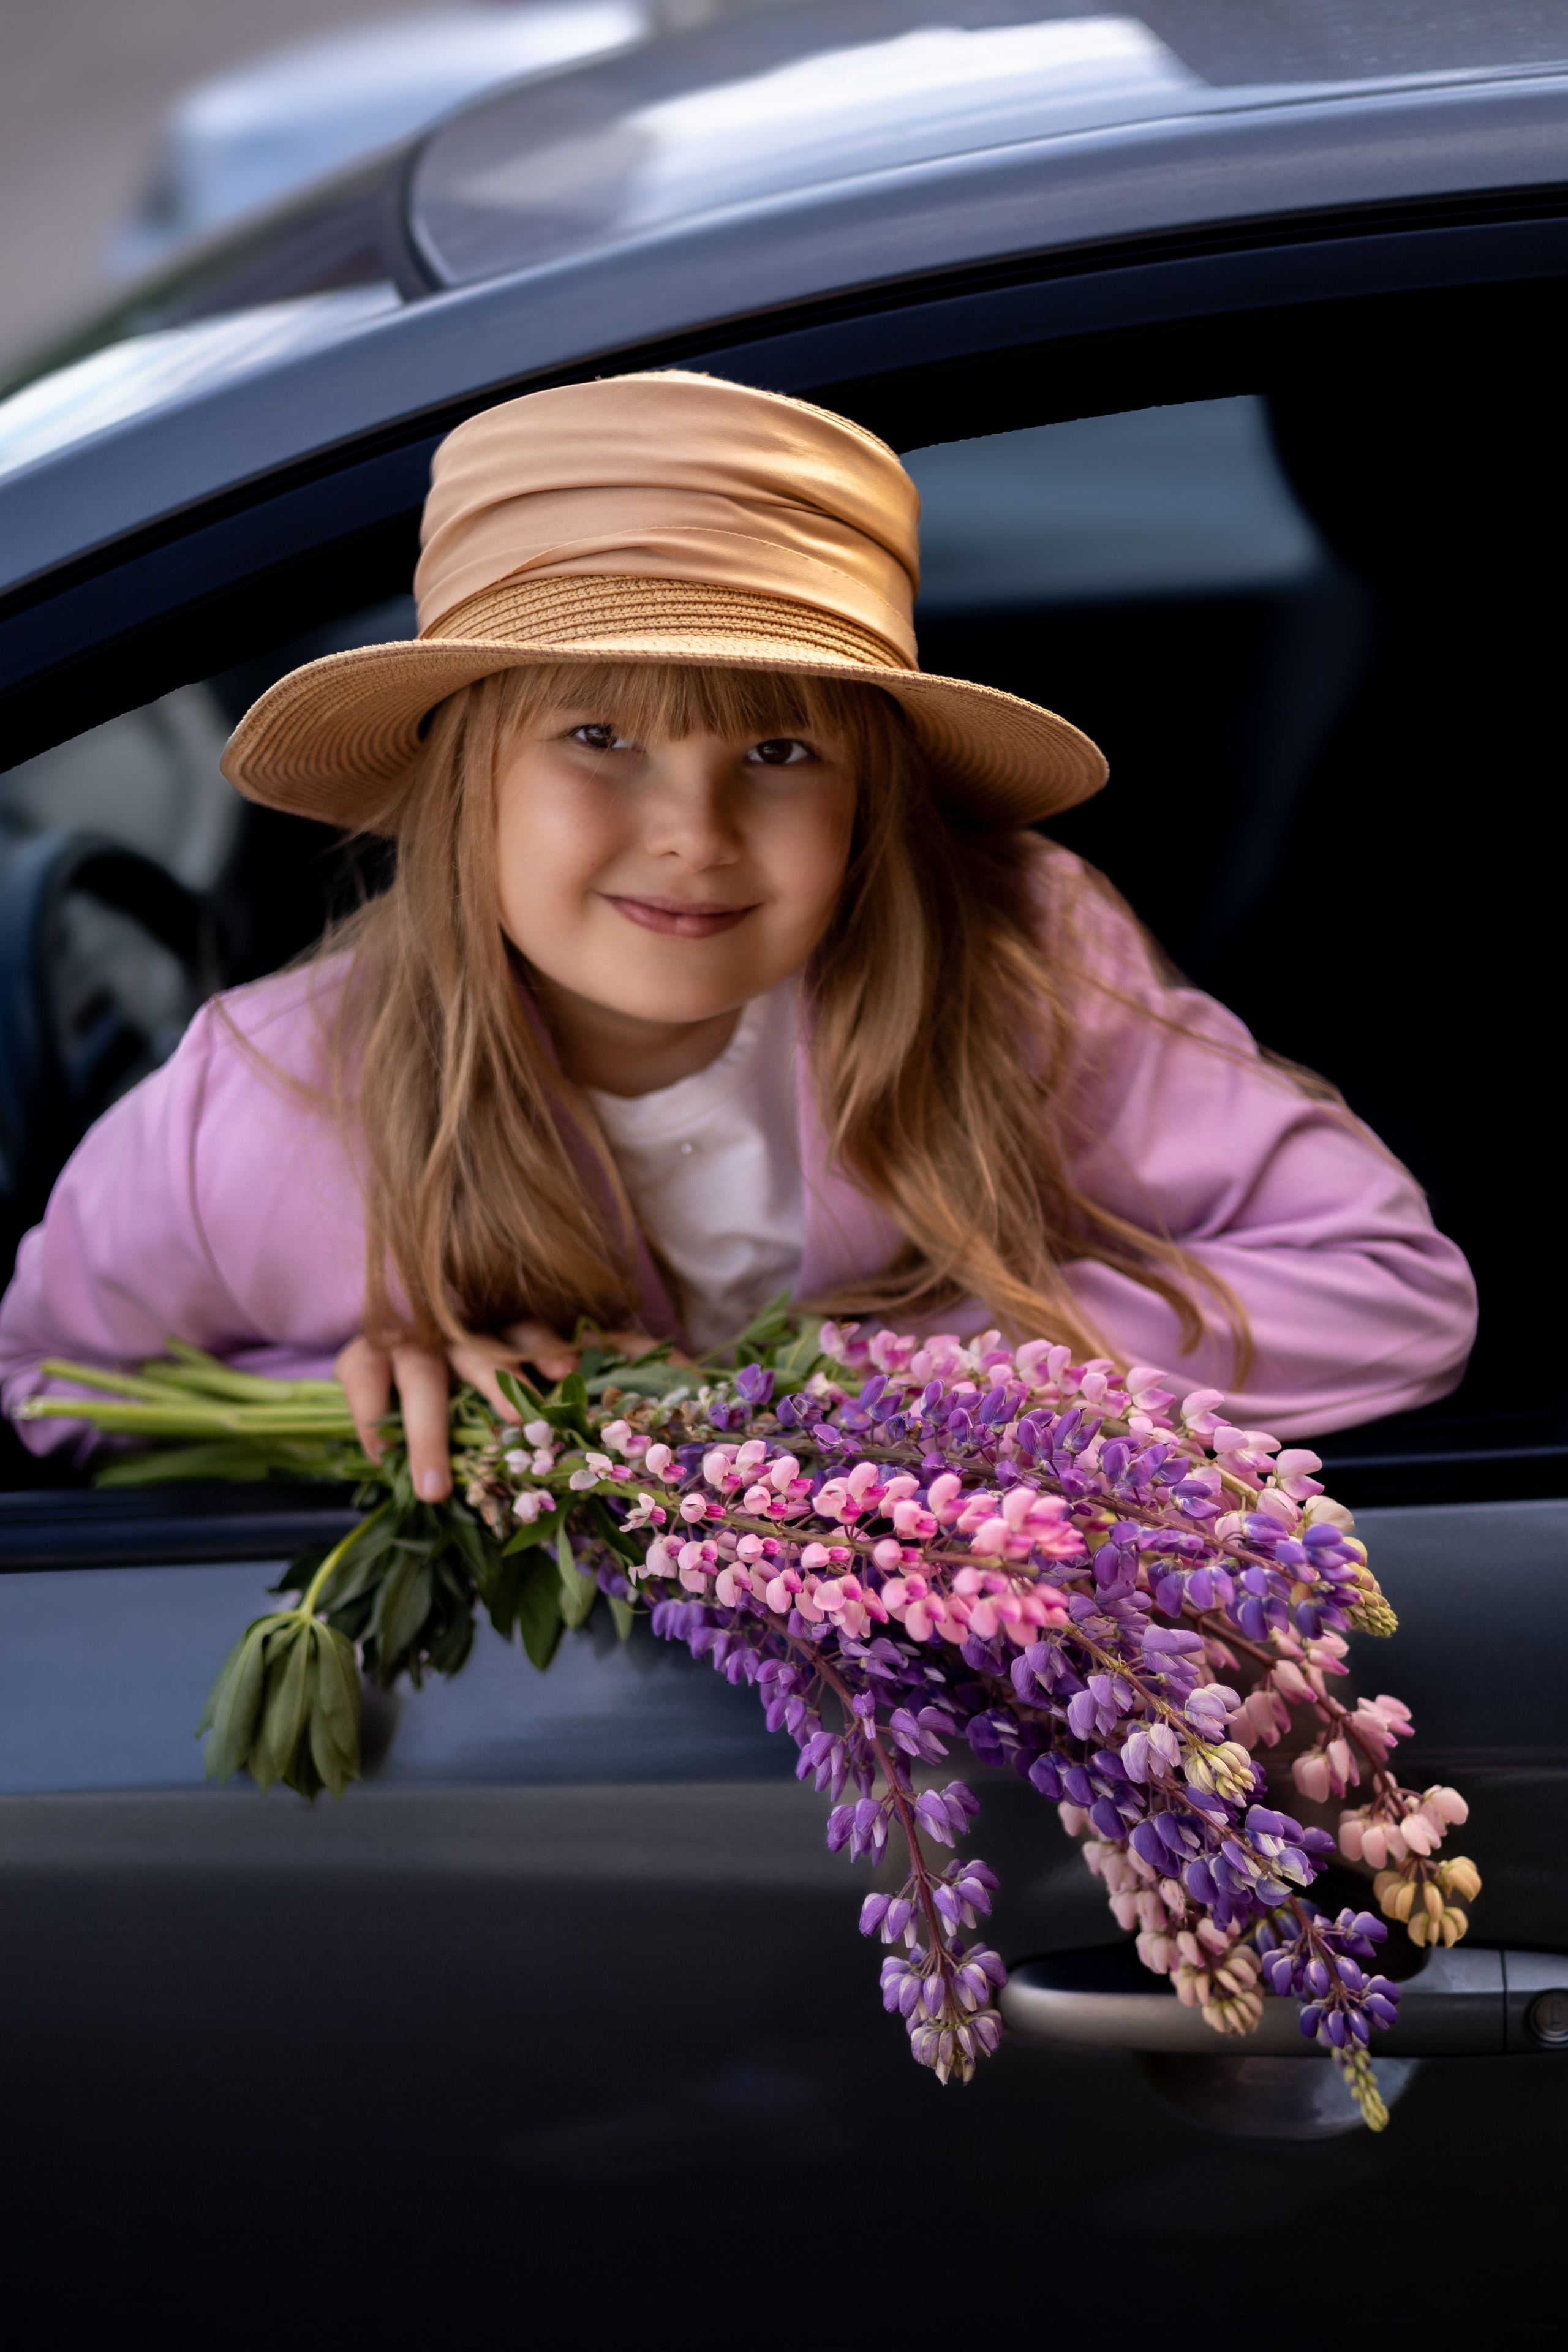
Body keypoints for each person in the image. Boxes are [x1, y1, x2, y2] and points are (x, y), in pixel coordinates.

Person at [0, 372, 1476, 1500]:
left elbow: (1389, 1296)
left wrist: (856, 1385)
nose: (693, 834)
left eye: (778, 754)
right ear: (461, 783)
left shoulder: (1008, 966)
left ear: (866, 797)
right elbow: (54, 1379)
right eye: (598, 739)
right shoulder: (268, 1101)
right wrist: (341, 1394)